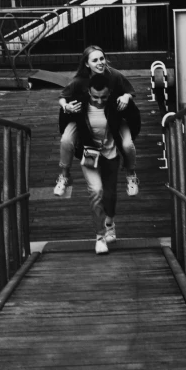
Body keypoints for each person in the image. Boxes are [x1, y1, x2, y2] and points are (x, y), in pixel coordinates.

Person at [69, 72, 141, 254]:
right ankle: (100, 237)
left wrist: (128, 99)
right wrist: (66, 107)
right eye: (95, 97)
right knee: (96, 191)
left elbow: (135, 120)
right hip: (90, 155)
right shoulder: (80, 103)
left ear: (110, 94)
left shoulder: (116, 103)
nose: (99, 101)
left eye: (104, 97)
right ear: (88, 92)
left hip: (110, 153)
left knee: (110, 194)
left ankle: (110, 222)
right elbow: (65, 123)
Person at [54, 46, 140, 197]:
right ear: (87, 64)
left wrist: (126, 96)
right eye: (95, 60)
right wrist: (66, 106)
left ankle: (131, 175)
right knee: (66, 140)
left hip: (112, 116)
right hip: (83, 117)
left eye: (102, 58)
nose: (100, 62)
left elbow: (130, 91)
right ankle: (64, 176)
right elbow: (62, 97)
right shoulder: (79, 80)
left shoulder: (114, 75)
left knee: (127, 144)